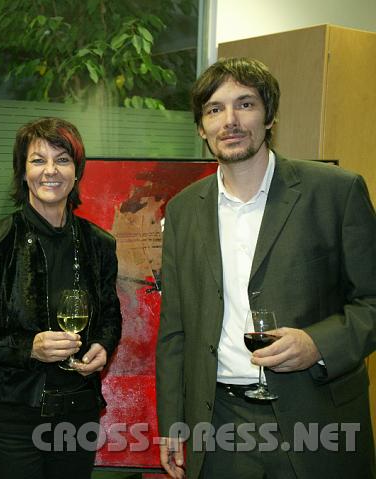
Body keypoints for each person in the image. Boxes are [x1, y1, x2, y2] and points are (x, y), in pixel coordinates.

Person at [156, 57, 376, 478]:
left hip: (318, 421)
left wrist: (318, 344)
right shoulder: (183, 210)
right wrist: (172, 424)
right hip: (220, 425)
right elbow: (175, 328)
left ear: (270, 115)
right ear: (202, 127)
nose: (230, 121)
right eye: (215, 109)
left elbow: (372, 300)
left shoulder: (336, 192)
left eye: (246, 104)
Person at [0, 117, 122, 479]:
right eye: (38, 160)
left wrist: (102, 346)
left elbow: (110, 315)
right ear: (23, 171)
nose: (51, 170)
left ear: (77, 172)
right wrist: (28, 347)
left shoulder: (99, 244)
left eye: (62, 160)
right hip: (13, 418)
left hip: (78, 411)